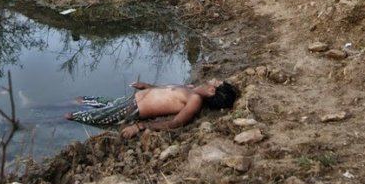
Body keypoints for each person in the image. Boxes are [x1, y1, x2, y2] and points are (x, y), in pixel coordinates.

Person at [65, 79, 239, 138]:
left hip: (131, 109)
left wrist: (140, 127)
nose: (214, 80)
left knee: (77, 116)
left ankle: (46, 119)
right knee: (83, 100)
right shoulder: (191, 88)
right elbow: (166, 91)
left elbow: (176, 123)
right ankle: (47, 107)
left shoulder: (195, 100)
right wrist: (147, 85)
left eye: (217, 82)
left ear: (212, 91)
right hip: (130, 100)